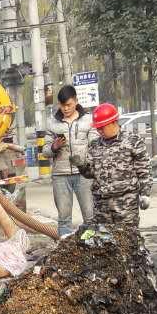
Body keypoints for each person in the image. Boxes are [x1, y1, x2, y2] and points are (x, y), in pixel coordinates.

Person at [83, 102, 150, 228]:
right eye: (97, 128)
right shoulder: (94, 145)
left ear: (113, 122)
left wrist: (145, 193)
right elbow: (90, 173)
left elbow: (144, 169)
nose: (99, 131)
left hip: (125, 203)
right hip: (102, 204)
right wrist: (81, 165)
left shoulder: (132, 141)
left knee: (127, 239)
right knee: (104, 240)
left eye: (102, 127)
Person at [45, 85, 95, 235]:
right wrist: (54, 146)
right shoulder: (52, 123)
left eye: (69, 105)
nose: (65, 109)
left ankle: (92, 247)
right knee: (64, 218)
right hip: (60, 175)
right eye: (62, 105)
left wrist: (89, 165)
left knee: (90, 215)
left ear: (76, 101)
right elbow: (45, 152)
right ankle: (65, 249)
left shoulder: (88, 120)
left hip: (84, 174)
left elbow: (95, 146)